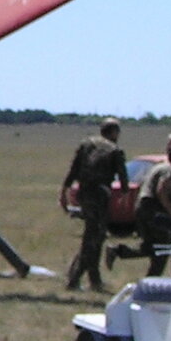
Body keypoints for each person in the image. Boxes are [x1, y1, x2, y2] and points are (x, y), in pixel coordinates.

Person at [105, 133, 171, 277]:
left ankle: (120, 251)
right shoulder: (168, 170)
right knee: (161, 249)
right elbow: (161, 191)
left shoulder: (160, 166)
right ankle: (153, 281)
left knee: (153, 247)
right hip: (152, 209)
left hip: (146, 208)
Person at [61, 118, 129, 291]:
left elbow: (73, 170)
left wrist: (64, 192)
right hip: (99, 195)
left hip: (84, 193)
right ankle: (74, 279)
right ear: (114, 132)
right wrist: (124, 196)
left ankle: (94, 279)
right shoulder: (115, 150)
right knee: (93, 239)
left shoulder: (87, 144)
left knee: (93, 236)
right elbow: (123, 177)